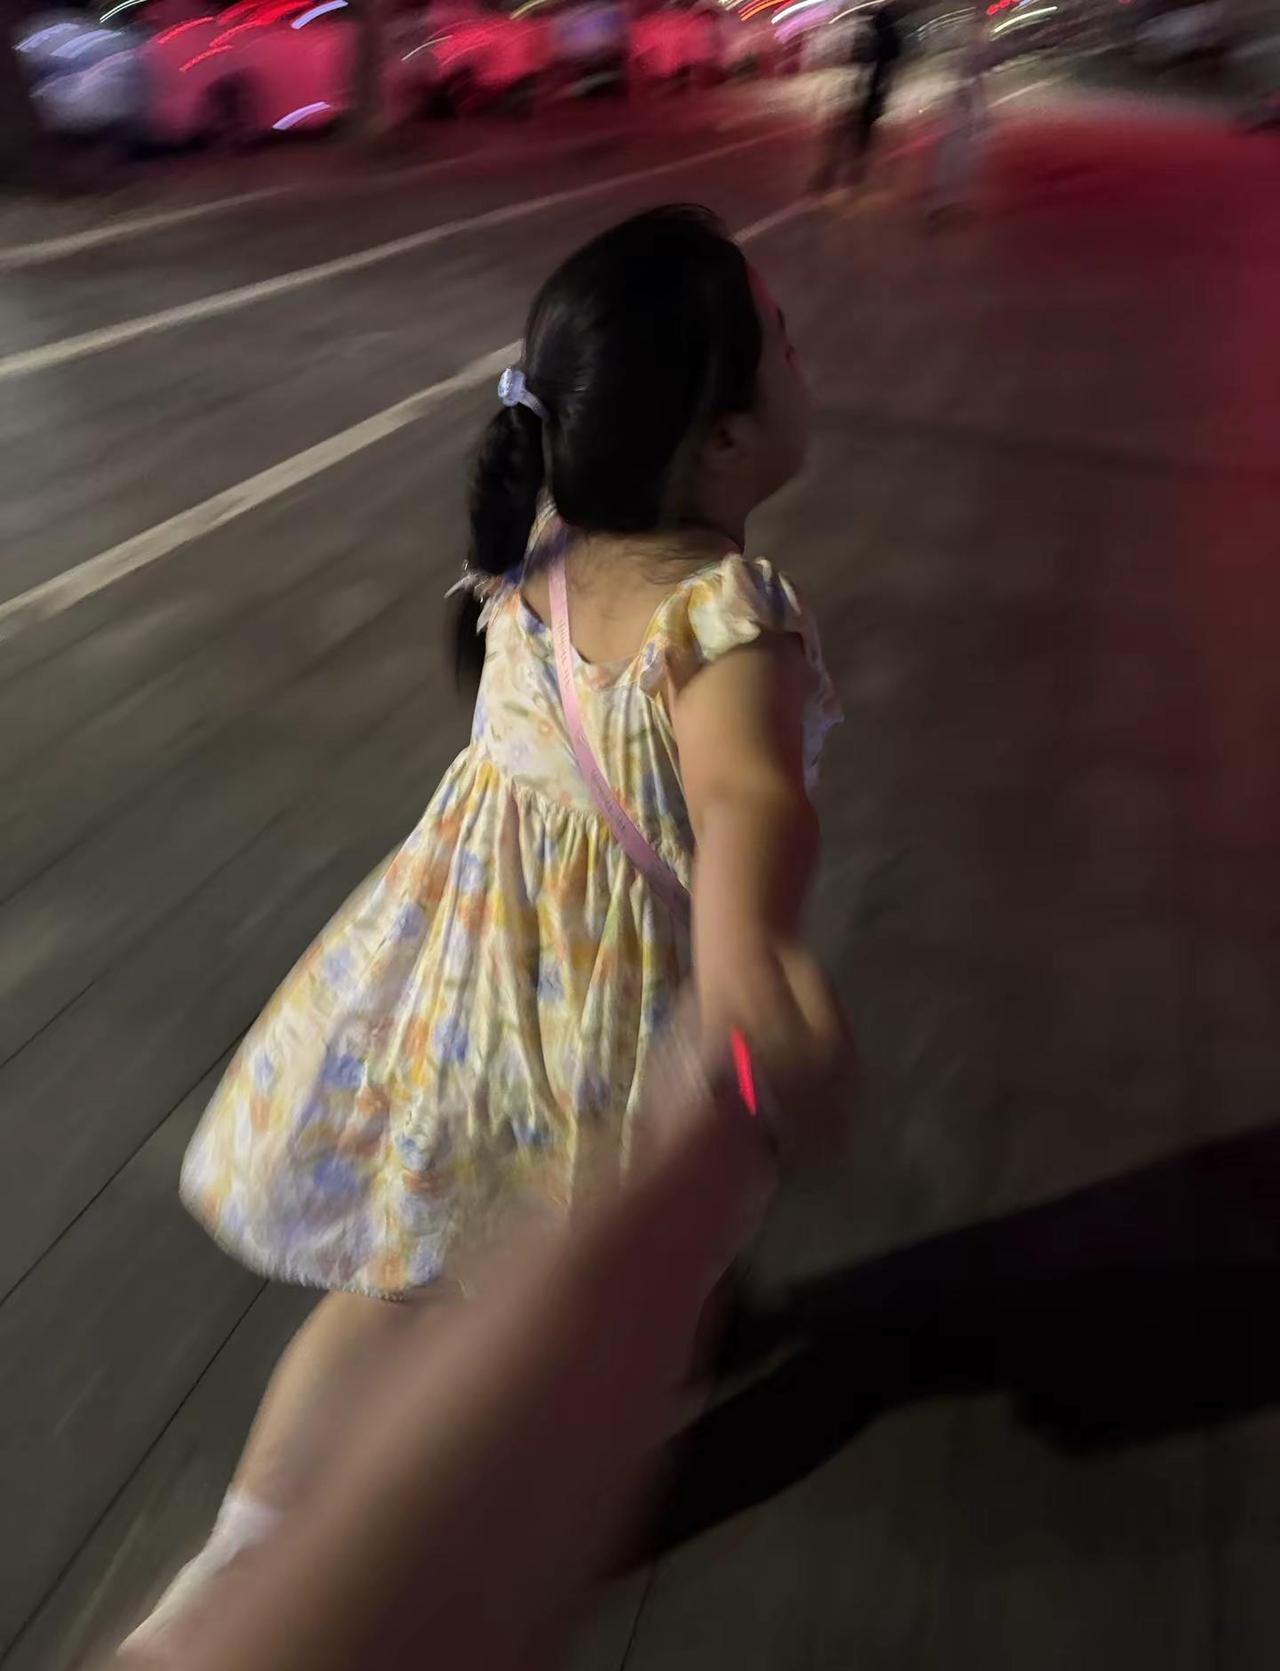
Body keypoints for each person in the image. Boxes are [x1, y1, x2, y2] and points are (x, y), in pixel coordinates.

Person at [127, 203, 844, 1648]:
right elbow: (749, 798)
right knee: (586, 1290)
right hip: (597, 1037)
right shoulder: (725, 617)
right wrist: (747, 959)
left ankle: (233, 1558)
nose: (800, 357)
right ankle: (509, 1515)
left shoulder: (542, 547)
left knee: (392, 1284)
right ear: (721, 439)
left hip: (452, 994)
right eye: (781, 343)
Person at [113, 1028, 850, 1671]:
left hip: (504, 967)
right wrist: (735, 1108)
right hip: (587, 996)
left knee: (418, 1269)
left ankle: (238, 1552)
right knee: (538, 1250)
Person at [811, 1, 905, 196]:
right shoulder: (880, 25)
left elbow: (854, 55)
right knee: (857, 135)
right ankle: (848, 178)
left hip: (859, 86)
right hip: (868, 87)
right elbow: (893, 54)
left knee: (843, 132)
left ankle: (832, 177)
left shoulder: (865, 23)